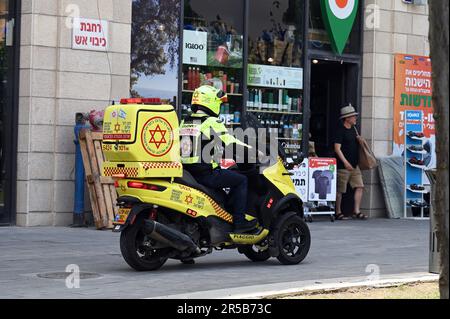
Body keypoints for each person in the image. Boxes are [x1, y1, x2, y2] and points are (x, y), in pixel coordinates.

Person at [180, 85, 258, 233]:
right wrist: (254, 151)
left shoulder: (186, 121)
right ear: (210, 102)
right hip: (206, 174)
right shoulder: (210, 122)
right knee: (241, 180)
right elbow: (230, 142)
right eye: (219, 103)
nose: (220, 107)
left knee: (224, 190)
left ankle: (225, 217)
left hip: (189, 173)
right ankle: (239, 223)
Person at [334, 105, 368, 220]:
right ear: (347, 118)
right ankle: (338, 212)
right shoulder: (340, 131)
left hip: (355, 165)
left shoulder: (354, 130)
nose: (355, 118)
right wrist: (345, 162)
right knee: (340, 190)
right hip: (343, 166)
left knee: (360, 186)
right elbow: (337, 148)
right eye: (353, 116)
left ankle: (356, 211)